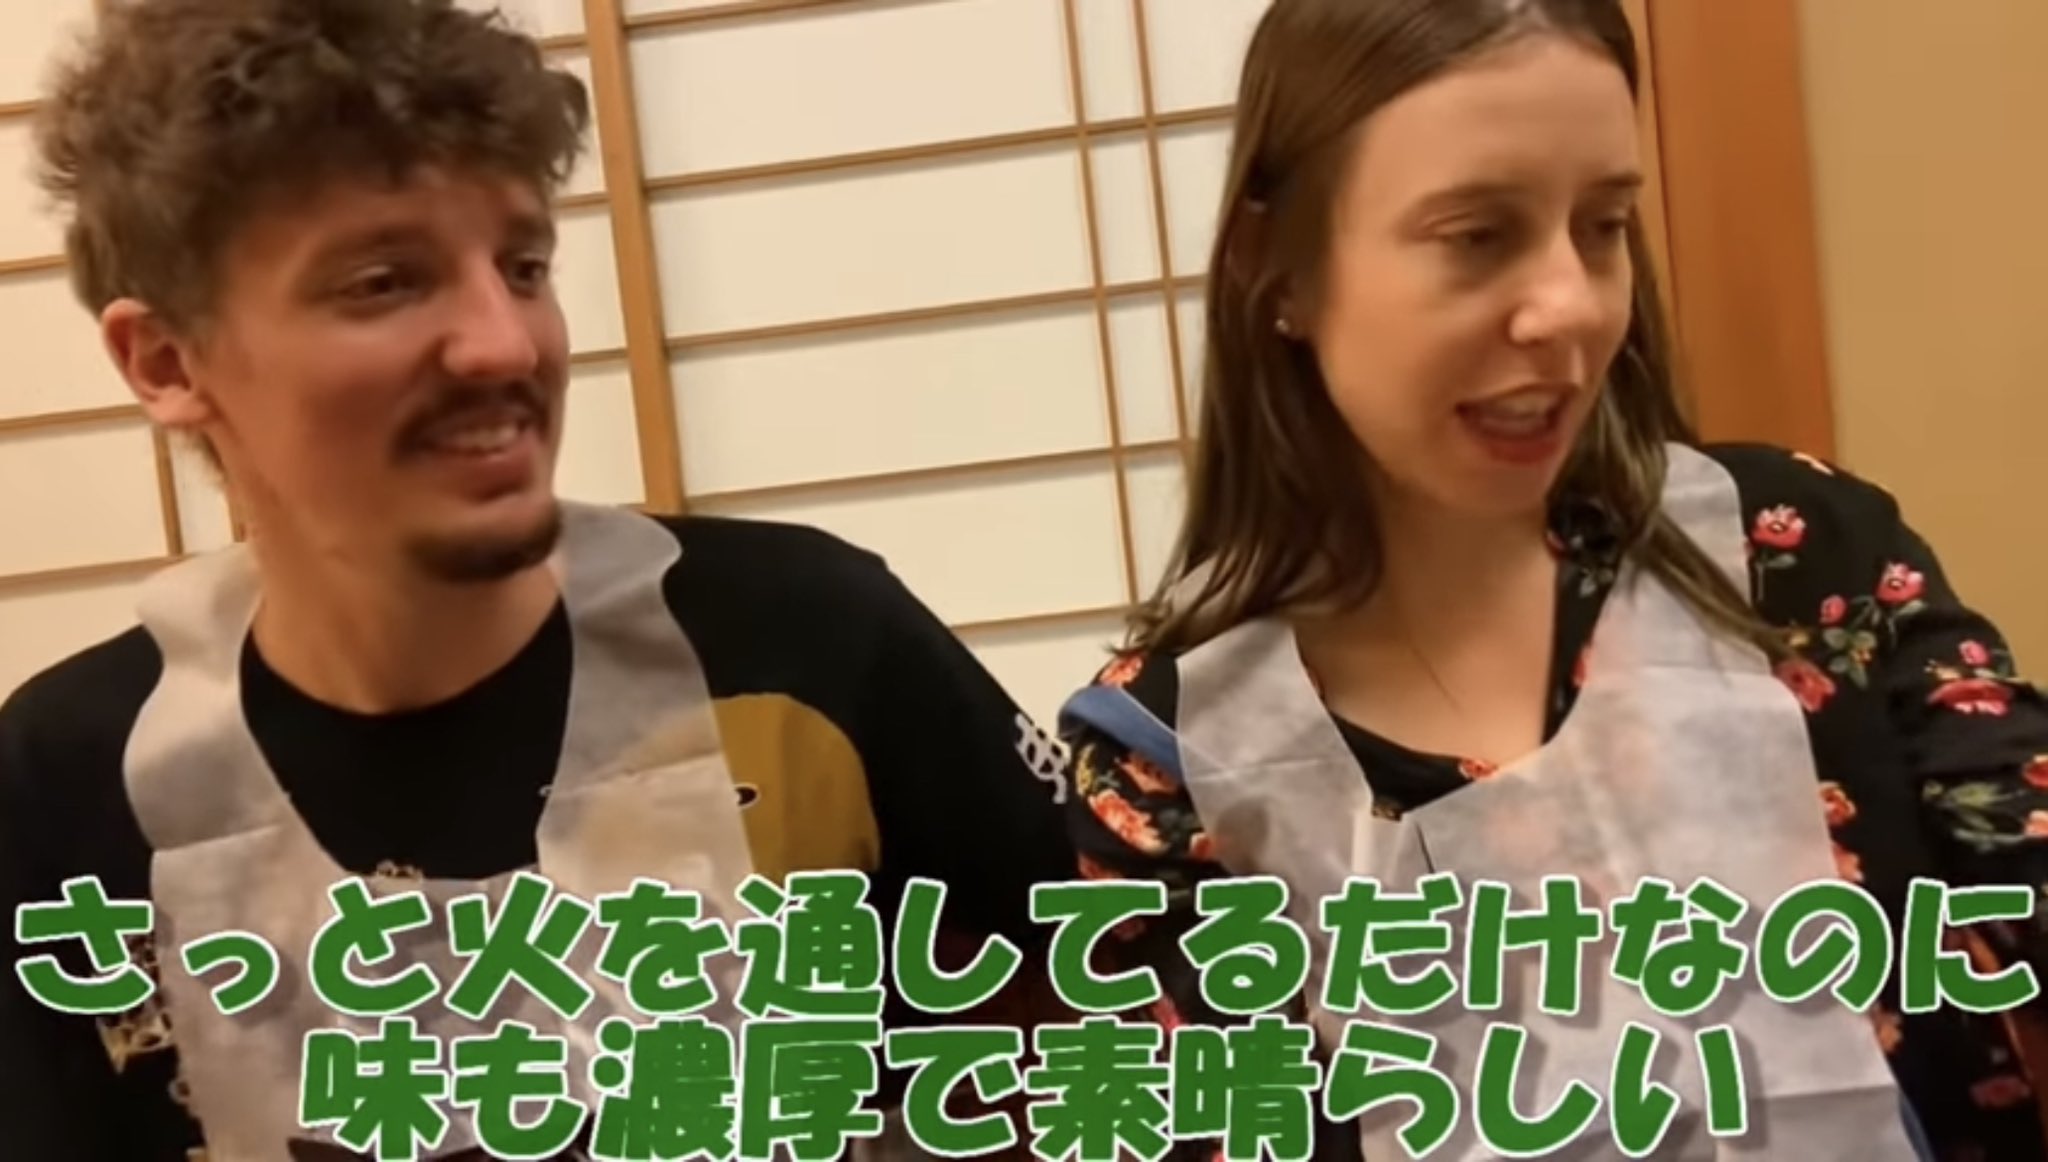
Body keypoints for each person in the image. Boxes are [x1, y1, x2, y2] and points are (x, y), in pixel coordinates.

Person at [0, 0, 1074, 1157]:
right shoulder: (71, 784)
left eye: (522, 266)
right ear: (166, 360)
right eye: (383, 281)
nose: (505, 343)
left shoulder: (815, 651)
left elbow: (1088, 1060)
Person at [1057, 0, 2048, 1159]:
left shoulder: (1797, 561)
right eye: (1476, 234)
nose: (1571, 304)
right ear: (1273, 268)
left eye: (1602, 225)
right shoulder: (1167, 758)